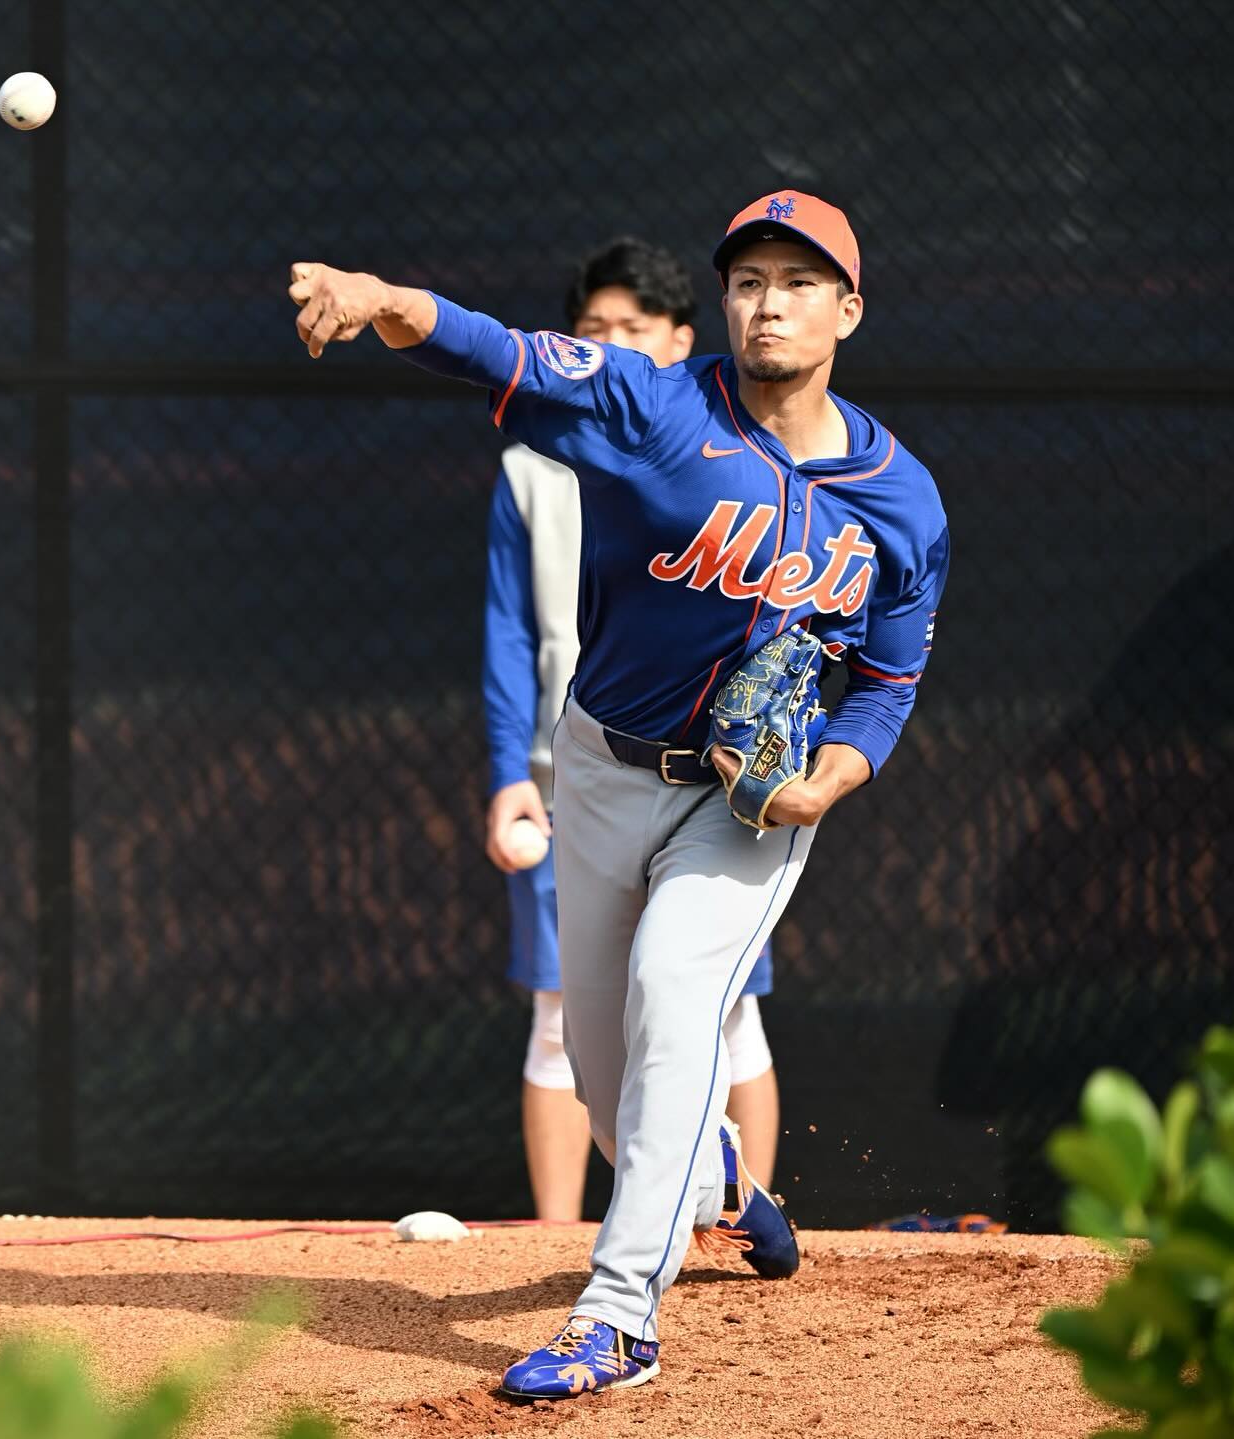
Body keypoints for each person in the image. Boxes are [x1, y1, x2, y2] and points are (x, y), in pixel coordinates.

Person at [288, 189, 950, 1400]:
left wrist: (836, 775)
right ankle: (724, 1191)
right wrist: (386, 301)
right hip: (600, 763)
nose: (768, 301)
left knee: (674, 994)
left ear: (848, 308)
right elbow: (495, 348)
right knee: (600, 1067)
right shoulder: (654, 401)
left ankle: (618, 1318)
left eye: (799, 280)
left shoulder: (902, 501)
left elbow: (888, 681)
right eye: (749, 278)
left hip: (744, 806)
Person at [482, 237, 782, 1223]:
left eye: (633, 330)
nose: (610, 344)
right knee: (567, 1011)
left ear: (682, 341)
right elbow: (510, 630)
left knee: (722, 1002)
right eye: (592, 330)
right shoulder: (534, 460)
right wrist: (507, 771)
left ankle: (742, 1217)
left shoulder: (745, 454)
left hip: (712, 770)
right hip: (574, 769)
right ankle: (560, 1235)